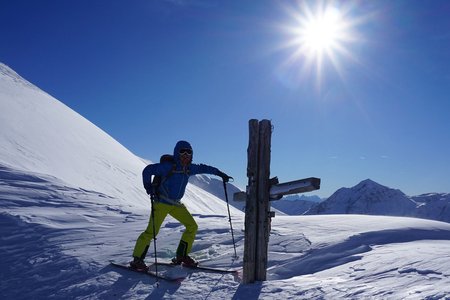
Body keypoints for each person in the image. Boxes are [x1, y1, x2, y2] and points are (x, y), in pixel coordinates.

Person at [130, 140, 232, 270]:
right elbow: (147, 170)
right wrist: (148, 187)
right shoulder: (168, 166)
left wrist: (220, 174)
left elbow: (205, 168)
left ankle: (181, 256)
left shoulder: (189, 168)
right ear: (176, 153)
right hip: (162, 202)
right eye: (182, 152)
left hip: (176, 204)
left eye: (188, 152)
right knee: (151, 232)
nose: (185, 155)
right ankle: (137, 260)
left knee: (192, 226)